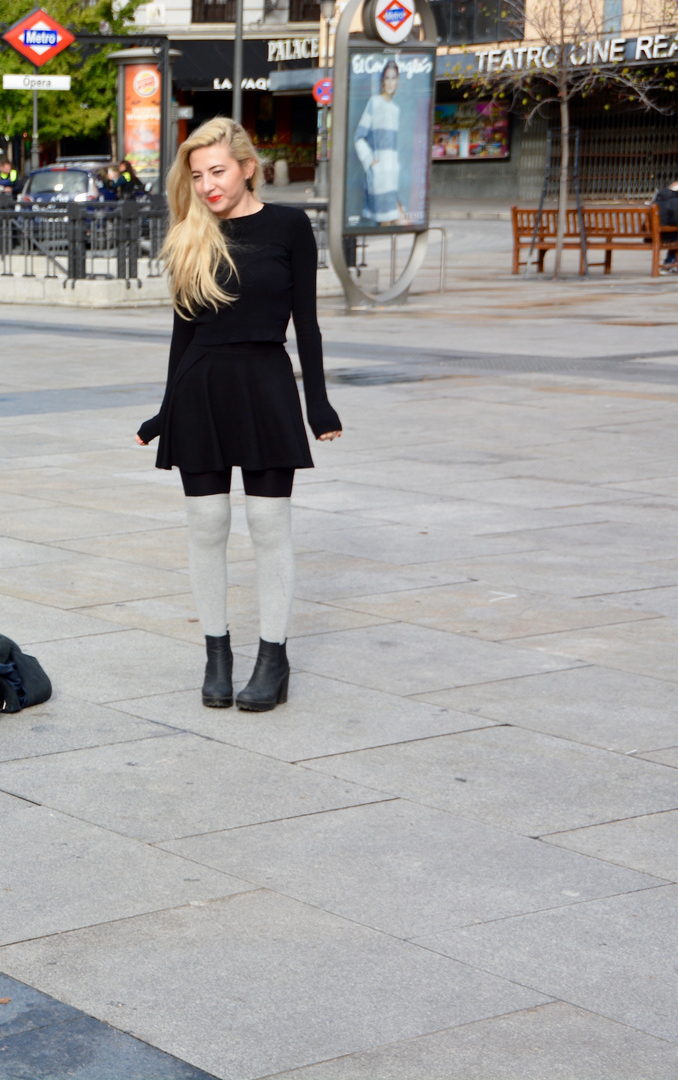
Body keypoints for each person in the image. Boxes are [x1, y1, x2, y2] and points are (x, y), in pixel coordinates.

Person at [135, 118, 342, 713]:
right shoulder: (188, 234)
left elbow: (307, 320)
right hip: (200, 390)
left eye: (217, 172)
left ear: (248, 167)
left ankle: (273, 659)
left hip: (266, 386)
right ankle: (217, 655)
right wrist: (164, 411)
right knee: (207, 526)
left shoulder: (289, 225)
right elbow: (183, 334)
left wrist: (317, 402)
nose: (206, 186)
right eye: (197, 176)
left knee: (270, 527)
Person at [354, 60, 407, 226]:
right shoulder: (374, 103)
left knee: (398, 222)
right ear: (382, 81)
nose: (390, 82)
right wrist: (370, 160)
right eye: (387, 78)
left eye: (394, 78)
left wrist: (395, 160)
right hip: (379, 172)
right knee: (385, 223)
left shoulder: (395, 109)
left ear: (398, 80)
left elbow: (391, 141)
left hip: (391, 172)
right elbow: (359, 137)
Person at [654, 179, 678, 270]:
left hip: (651, 234)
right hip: (665, 234)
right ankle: (669, 262)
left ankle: (669, 262)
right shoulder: (676, 200)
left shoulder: (658, 198)